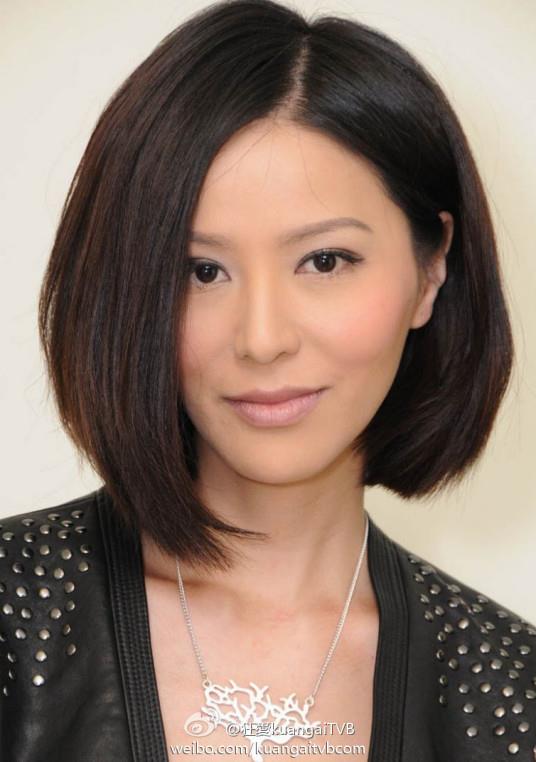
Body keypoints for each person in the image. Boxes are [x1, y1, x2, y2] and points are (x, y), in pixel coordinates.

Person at [1, 0, 535, 759]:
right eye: (202, 271)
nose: (262, 340)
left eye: (325, 261)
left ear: (430, 270)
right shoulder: (15, 613)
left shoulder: (513, 693)